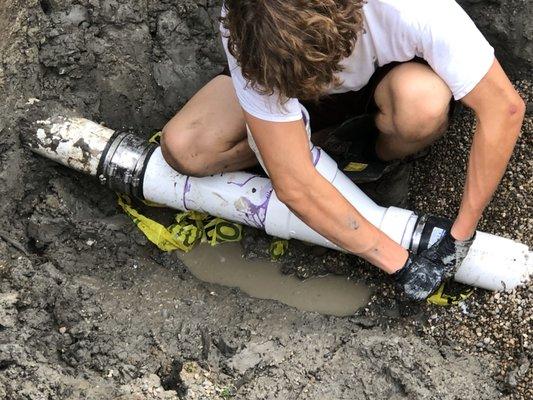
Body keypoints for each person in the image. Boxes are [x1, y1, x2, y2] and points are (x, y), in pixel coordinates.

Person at [159, 0, 525, 300]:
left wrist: (460, 236)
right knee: (185, 149)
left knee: (422, 107)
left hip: (390, 81)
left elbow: (504, 109)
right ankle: (320, 145)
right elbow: (294, 186)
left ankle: (376, 157)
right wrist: (400, 263)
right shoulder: (250, 21)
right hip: (290, 79)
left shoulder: (411, 10)